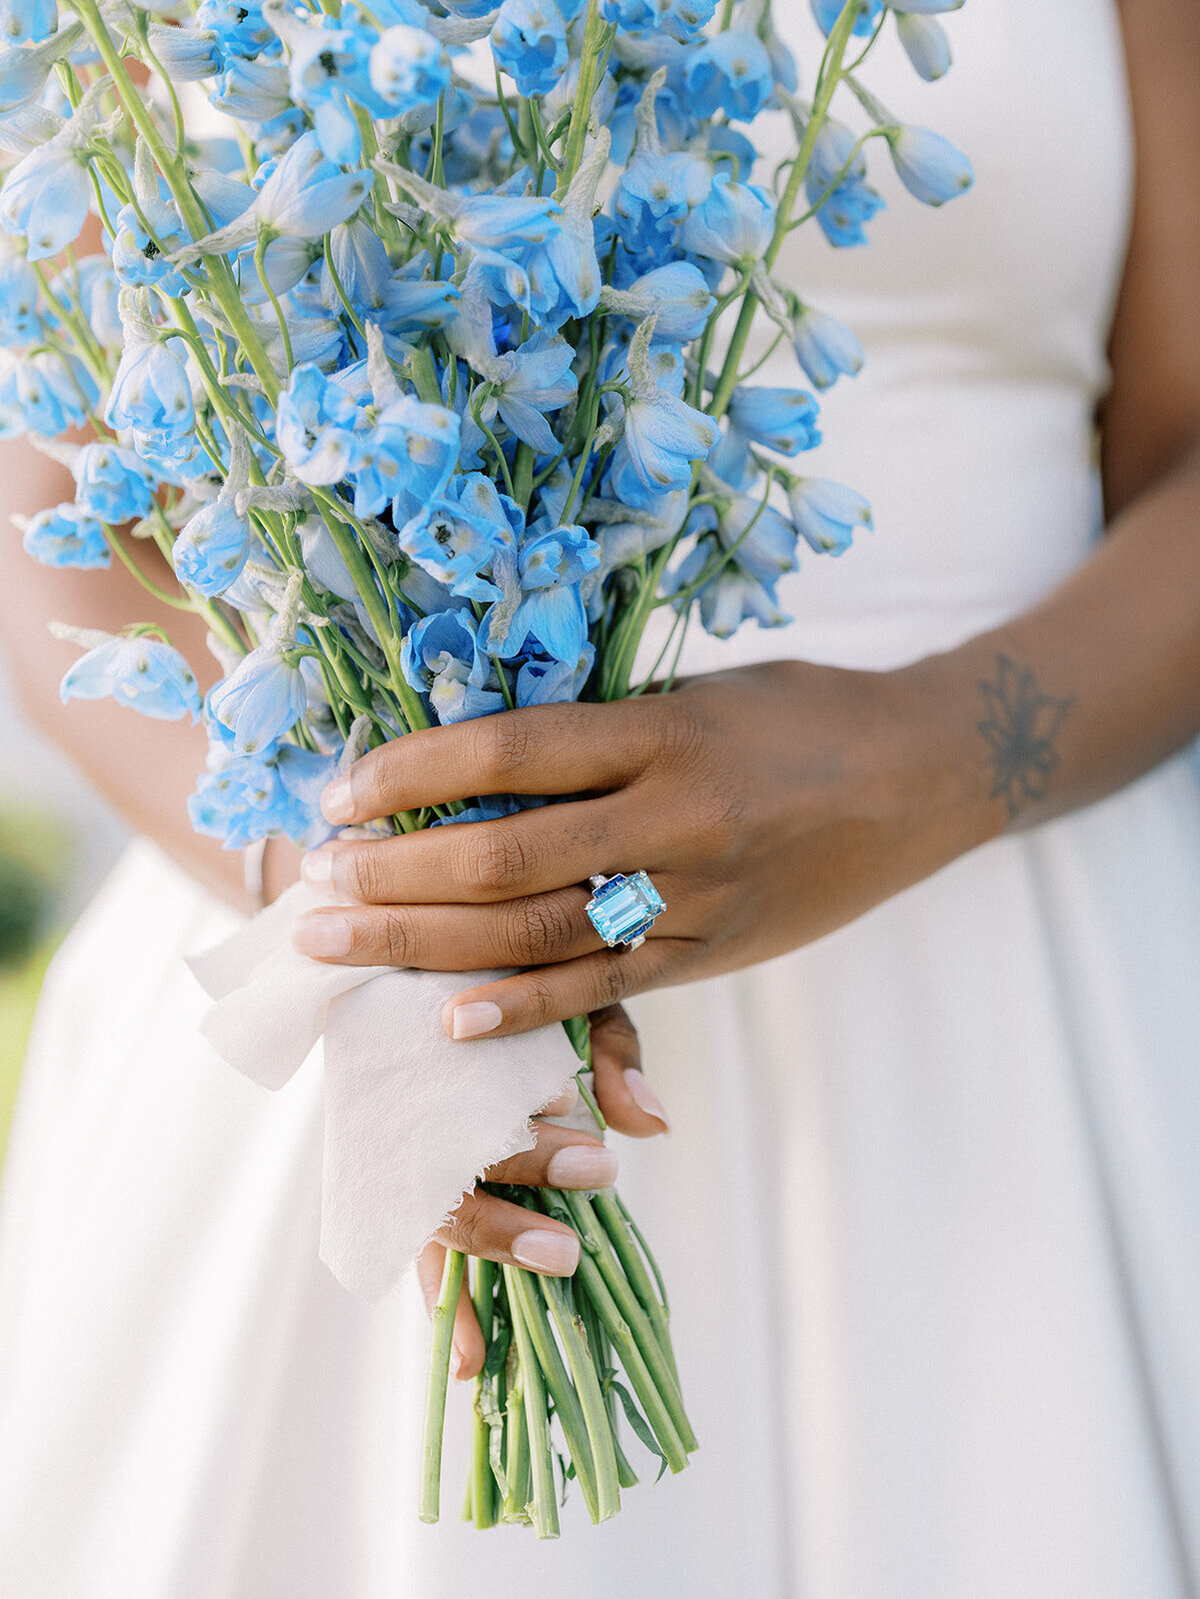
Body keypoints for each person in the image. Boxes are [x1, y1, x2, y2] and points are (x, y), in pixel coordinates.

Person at [2, 2, 1199, 1594]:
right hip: (357, 983)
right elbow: (55, 521)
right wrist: (391, 925)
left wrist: (927, 760)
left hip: (1016, 947)